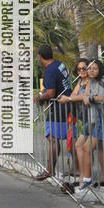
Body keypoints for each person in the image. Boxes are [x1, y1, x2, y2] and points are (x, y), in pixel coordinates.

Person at [34, 45, 72, 181]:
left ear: (40, 57)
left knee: (53, 138)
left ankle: (50, 170)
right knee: (61, 138)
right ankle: (73, 170)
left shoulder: (49, 70)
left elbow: (51, 93)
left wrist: (38, 97)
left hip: (58, 107)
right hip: (66, 104)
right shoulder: (59, 64)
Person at [74, 59, 104, 203]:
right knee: (88, 148)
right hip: (96, 118)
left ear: (100, 70)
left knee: (88, 147)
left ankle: (87, 180)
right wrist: (87, 96)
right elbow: (83, 96)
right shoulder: (91, 82)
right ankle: (86, 180)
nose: (91, 71)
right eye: (89, 68)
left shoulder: (102, 81)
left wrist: (90, 97)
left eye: (94, 68)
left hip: (102, 117)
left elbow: (102, 98)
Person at [57, 58, 90, 193]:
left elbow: (83, 96)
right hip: (85, 118)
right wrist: (72, 97)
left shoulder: (90, 82)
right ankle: (83, 176)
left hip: (94, 118)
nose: (82, 71)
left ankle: (85, 177)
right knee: (82, 146)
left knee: (84, 147)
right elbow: (74, 94)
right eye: (79, 69)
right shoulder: (80, 81)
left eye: (84, 68)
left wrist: (70, 99)